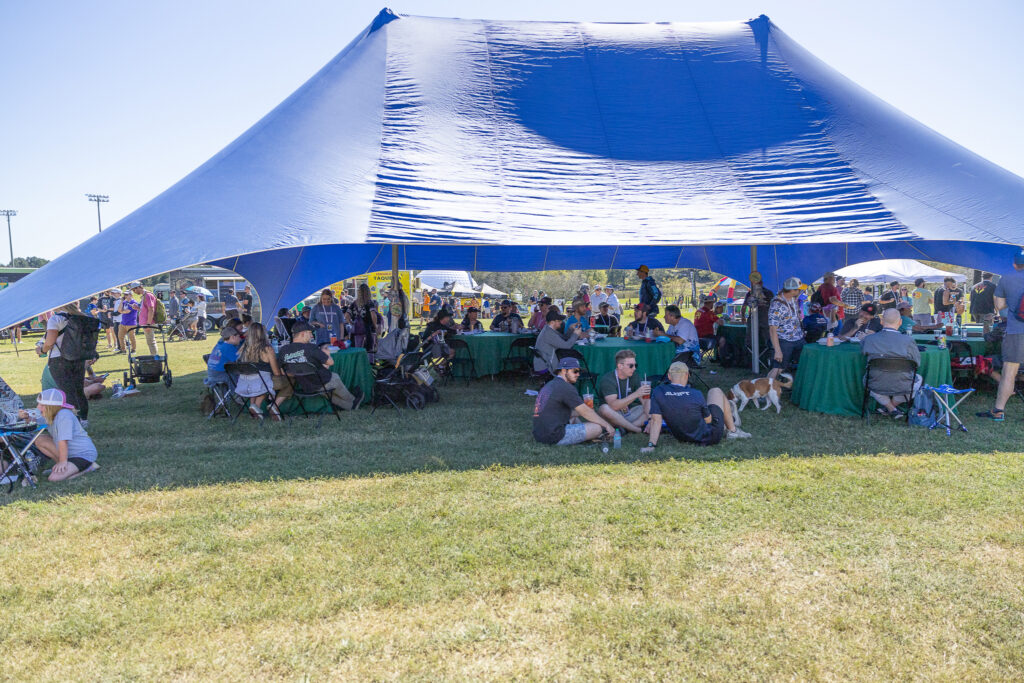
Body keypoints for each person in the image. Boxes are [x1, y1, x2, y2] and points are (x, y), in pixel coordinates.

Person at [641, 362, 750, 453]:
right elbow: (708, 420)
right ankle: (733, 430)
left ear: (669, 376)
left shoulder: (658, 391)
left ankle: (728, 416)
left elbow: (655, 420)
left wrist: (651, 445)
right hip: (709, 437)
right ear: (687, 375)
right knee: (715, 391)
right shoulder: (696, 393)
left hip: (682, 437)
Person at [977, 251, 1024, 421]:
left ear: (1014, 264)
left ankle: (998, 411)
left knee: (1009, 372)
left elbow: (1000, 305)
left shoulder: (1007, 278)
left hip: (1017, 331)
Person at [17, 389, 99, 482]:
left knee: (53, 478)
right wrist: (27, 417)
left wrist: (63, 461)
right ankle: (62, 466)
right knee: (40, 439)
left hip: (82, 455)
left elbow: (63, 441)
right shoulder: (52, 415)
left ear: (52, 406)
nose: (38, 407)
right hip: (69, 453)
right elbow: (36, 422)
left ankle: (89, 467)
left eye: (42, 405)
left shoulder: (64, 416)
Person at [277, 321, 361, 410]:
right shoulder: (310, 347)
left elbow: (283, 372)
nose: (312, 336)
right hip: (322, 381)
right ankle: (353, 400)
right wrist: (327, 353)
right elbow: (330, 362)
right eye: (310, 333)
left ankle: (350, 406)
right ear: (302, 334)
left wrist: (299, 371)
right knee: (334, 378)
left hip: (305, 385)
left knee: (326, 391)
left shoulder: (283, 350)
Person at [532, 357, 616, 445]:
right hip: (553, 435)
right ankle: (596, 435)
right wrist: (607, 425)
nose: (578, 374)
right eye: (575, 371)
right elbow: (585, 411)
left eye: (579, 372)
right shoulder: (565, 387)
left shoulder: (551, 384)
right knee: (597, 428)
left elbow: (562, 412)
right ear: (564, 371)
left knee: (574, 417)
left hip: (539, 434)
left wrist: (583, 412)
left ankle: (588, 435)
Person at [860, 309, 922, 418]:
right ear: (900, 322)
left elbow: (864, 353)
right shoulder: (908, 340)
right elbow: (917, 363)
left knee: (866, 379)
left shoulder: (869, 339)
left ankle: (889, 407)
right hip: (903, 383)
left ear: (881, 321)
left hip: (876, 382)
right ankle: (892, 408)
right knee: (917, 380)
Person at [40, 303, 93, 426]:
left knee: (67, 392)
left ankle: (75, 422)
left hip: (59, 359)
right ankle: (84, 419)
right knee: (78, 390)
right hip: (78, 358)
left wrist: (41, 350)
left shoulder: (56, 319)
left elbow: (49, 342)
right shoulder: (82, 318)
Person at [234, 323, 285, 420]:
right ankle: (256, 406)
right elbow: (276, 372)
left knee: (256, 380)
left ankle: (252, 406)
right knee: (272, 381)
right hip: (260, 384)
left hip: (244, 384)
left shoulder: (243, 348)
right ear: (263, 333)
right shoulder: (267, 349)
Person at [596, 349, 650, 433]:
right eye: (631, 366)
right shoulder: (608, 380)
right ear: (620, 366)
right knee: (604, 408)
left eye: (635, 365)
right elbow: (613, 406)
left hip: (628, 412)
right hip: (613, 415)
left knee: (652, 406)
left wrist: (650, 419)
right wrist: (636, 394)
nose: (634, 368)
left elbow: (645, 401)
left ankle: (626, 428)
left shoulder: (634, 376)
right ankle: (636, 429)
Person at [767, 277, 805, 379]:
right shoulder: (777, 304)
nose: (800, 291)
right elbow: (772, 329)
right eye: (799, 289)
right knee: (777, 368)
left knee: (806, 362)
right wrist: (777, 350)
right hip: (784, 340)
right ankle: (765, 388)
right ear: (792, 290)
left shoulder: (793, 298)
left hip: (798, 338)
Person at [534, 309, 582, 373]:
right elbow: (567, 346)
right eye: (559, 321)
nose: (561, 322)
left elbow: (564, 339)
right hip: (546, 367)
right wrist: (576, 334)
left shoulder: (549, 330)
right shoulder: (549, 333)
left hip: (544, 364)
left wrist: (570, 329)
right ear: (552, 322)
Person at [741, 272, 773, 352]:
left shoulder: (768, 293)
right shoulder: (750, 293)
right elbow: (744, 306)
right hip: (754, 320)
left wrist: (743, 317)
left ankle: (767, 355)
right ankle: (750, 356)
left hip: (765, 320)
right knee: (750, 341)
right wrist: (743, 317)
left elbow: (773, 307)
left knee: (768, 340)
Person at [349, 284, 379, 358]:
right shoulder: (369, 302)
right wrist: (375, 325)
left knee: (356, 350)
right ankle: (368, 363)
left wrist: (351, 323)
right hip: (367, 330)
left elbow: (346, 315)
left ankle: (358, 363)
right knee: (368, 349)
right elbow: (373, 315)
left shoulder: (354, 303)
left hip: (355, 331)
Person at [131, 281, 160, 356]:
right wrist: (138, 308)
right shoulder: (144, 295)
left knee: (151, 341)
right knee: (150, 341)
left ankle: (155, 357)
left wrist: (148, 324)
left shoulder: (147, 295)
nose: (134, 292)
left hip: (148, 322)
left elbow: (151, 309)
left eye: (134, 290)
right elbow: (146, 310)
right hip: (146, 322)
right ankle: (154, 356)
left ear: (138, 287)